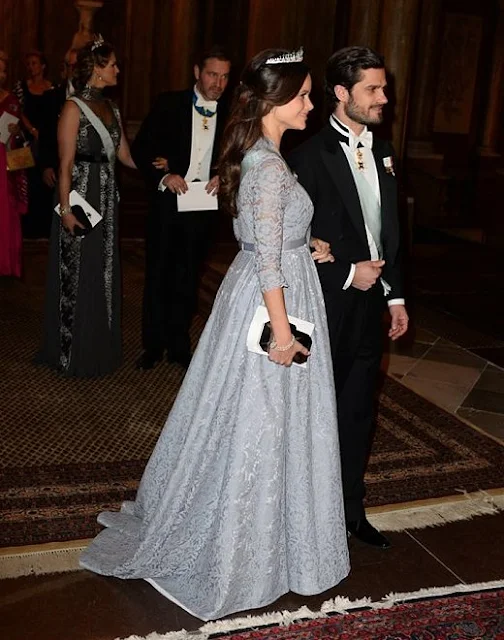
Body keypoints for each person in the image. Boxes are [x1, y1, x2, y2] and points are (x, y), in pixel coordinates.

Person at [80, 47, 350, 621]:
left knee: (257, 419)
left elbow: (267, 238)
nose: (311, 103)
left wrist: (312, 246)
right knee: (261, 419)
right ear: (273, 102)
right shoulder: (268, 167)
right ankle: (240, 549)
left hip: (268, 286)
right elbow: (269, 261)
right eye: (302, 95)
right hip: (271, 303)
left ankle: (272, 535)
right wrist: (281, 333)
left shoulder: (264, 156)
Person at [289, 46, 409, 549]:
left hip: (371, 305)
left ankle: (350, 511)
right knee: (314, 413)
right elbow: (292, 241)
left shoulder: (383, 150)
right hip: (326, 303)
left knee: (360, 409)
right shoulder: (306, 157)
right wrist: (345, 275)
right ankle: (302, 515)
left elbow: (392, 229)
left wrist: (395, 295)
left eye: (383, 88)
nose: (385, 98)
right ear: (342, 93)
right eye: (373, 90)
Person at [36, 37, 136, 377]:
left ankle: (97, 346)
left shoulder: (114, 108)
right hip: (78, 196)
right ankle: (69, 350)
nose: (118, 70)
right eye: (112, 65)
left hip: (107, 198)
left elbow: (124, 156)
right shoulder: (73, 107)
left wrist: (164, 170)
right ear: (96, 69)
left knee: (102, 271)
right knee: (75, 272)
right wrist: (64, 211)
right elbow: (64, 164)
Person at [132, 46, 231, 371]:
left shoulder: (233, 112)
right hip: (168, 202)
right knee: (159, 272)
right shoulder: (169, 103)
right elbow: (142, 147)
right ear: (196, 72)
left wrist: (225, 175)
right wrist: (165, 175)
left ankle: (178, 343)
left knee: (189, 278)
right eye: (212, 74)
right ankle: (152, 344)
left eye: (224, 76)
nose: (218, 82)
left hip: (205, 206)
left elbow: (241, 155)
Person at [13, 51, 54, 238]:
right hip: (26, 141)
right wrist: (32, 130)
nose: (31, 67)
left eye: (35, 63)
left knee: (43, 182)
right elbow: (16, 110)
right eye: (28, 64)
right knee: (25, 182)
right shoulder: (21, 87)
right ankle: (26, 228)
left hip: (45, 141)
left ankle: (43, 227)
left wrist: (43, 134)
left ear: (43, 66)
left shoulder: (52, 87)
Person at [0, 52, 28, 277]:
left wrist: (16, 132)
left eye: (4, 70)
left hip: (3, 160)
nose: (2, 75)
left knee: (5, 209)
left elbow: (16, 141)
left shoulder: (10, 100)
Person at [39, 48, 78, 191]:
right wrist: (46, 166)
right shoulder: (51, 98)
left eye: (79, 65)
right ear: (66, 68)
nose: (74, 70)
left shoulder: (94, 100)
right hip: (57, 167)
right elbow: (45, 134)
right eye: (71, 66)